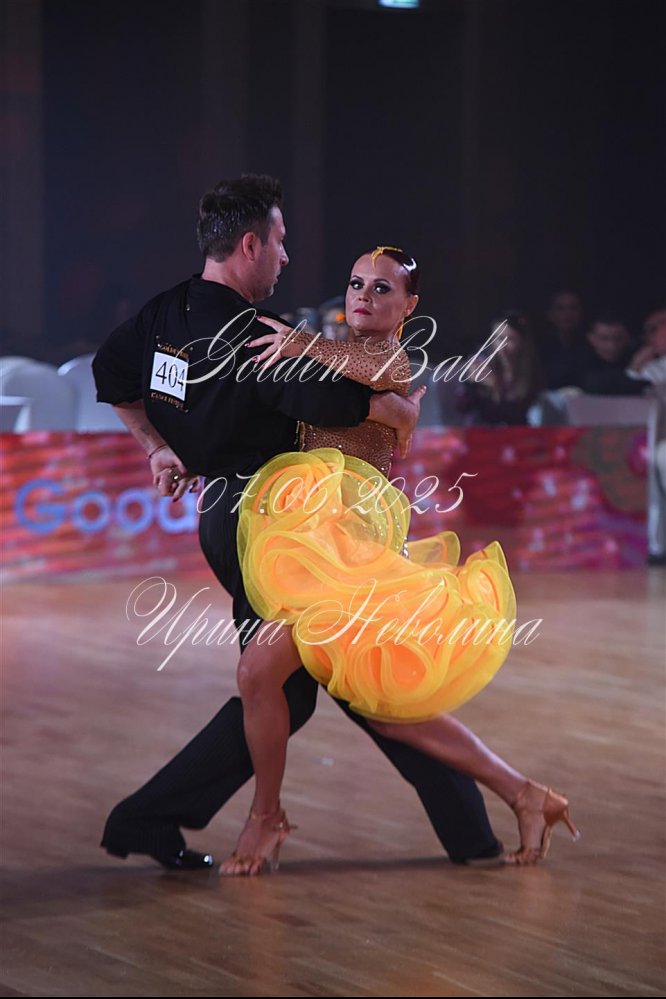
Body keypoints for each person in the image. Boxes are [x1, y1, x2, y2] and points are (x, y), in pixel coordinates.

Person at [92, 174, 506, 870]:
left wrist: (159, 446)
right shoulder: (258, 335)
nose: (286, 257)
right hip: (277, 528)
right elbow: (347, 402)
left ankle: (151, 819)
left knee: (310, 683)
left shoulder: (163, 314)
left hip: (232, 520)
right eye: (280, 242)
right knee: (357, 675)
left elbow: (112, 375)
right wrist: (402, 409)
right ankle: (483, 818)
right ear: (251, 245)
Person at [219, 248, 578, 876]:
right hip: (319, 547)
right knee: (383, 713)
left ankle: (266, 817)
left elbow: (368, 370)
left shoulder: (390, 359)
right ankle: (525, 794)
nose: (364, 296)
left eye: (381, 289)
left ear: (409, 306)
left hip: (353, 551)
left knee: (266, 675)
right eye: (356, 284)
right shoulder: (336, 357)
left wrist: (304, 344)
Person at [455, 310, 544, 425]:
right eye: (498, 338)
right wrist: (470, 384)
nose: (502, 345)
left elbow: (519, 418)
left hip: (517, 432)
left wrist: (497, 389)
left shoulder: (530, 371)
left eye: (510, 339)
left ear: (522, 342)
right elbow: (462, 409)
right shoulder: (484, 365)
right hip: (484, 431)